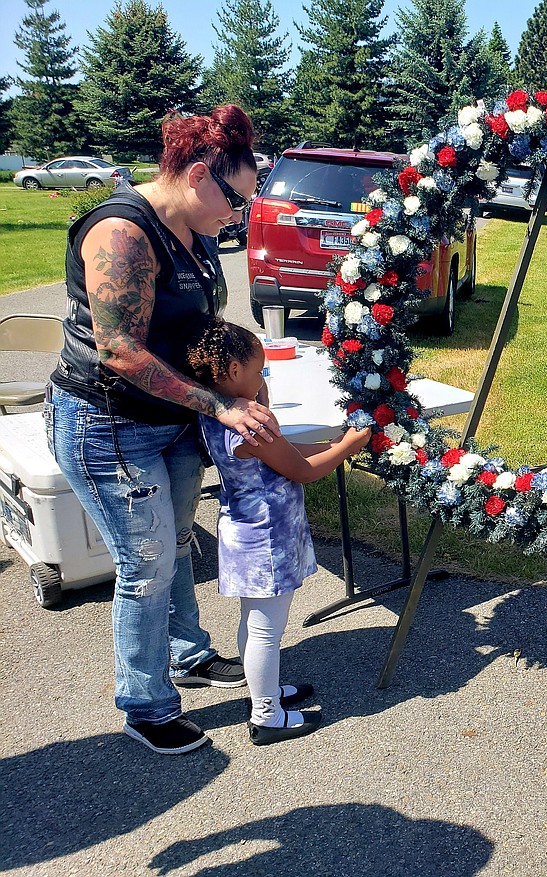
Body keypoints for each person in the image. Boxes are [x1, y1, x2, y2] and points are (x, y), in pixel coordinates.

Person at [48, 105, 275, 756]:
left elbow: (197, 329)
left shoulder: (194, 233)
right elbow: (118, 348)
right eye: (237, 202)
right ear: (201, 175)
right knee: (144, 563)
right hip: (106, 423)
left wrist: (247, 381)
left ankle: (185, 654)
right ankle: (145, 706)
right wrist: (217, 404)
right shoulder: (122, 231)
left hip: (175, 416)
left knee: (174, 543)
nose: (238, 217)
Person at [184, 317, 370, 745]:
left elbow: (284, 452)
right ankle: (267, 716)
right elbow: (300, 471)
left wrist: (329, 445)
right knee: (267, 628)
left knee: (256, 622)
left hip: (248, 530)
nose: (263, 376)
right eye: (259, 370)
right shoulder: (250, 426)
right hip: (265, 538)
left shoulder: (223, 414)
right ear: (234, 372)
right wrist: (347, 447)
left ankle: (262, 691)